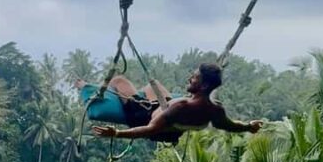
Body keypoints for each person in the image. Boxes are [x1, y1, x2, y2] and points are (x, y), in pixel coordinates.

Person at [75, 63, 263, 144]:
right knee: (153, 84)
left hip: (142, 117)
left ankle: (85, 86)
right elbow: (230, 126)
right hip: (167, 116)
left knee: (118, 80)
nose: (190, 78)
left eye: (195, 78)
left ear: (204, 84)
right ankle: (148, 95)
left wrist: (117, 133)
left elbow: (148, 130)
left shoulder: (180, 106)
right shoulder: (214, 110)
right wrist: (249, 126)